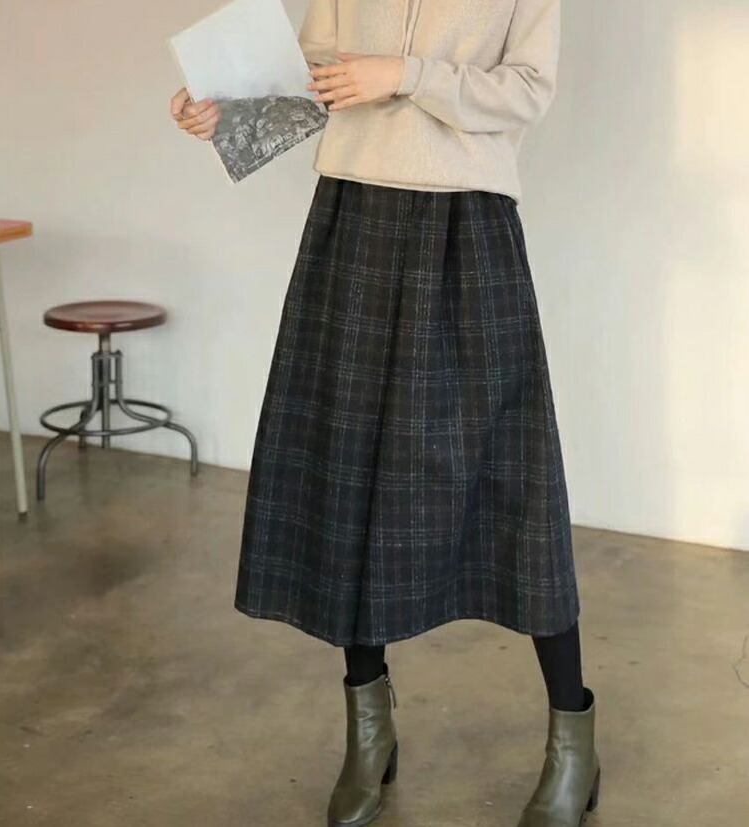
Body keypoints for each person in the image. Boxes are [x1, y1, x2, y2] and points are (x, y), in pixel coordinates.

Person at [170, 1, 600, 825]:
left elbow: (529, 89)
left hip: (468, 224)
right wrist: (223, 112)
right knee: (349, 472)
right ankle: (369, 730)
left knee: (516, 486)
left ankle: (573, 741)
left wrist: (404, 75)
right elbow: (307, 85)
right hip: (351, 217)